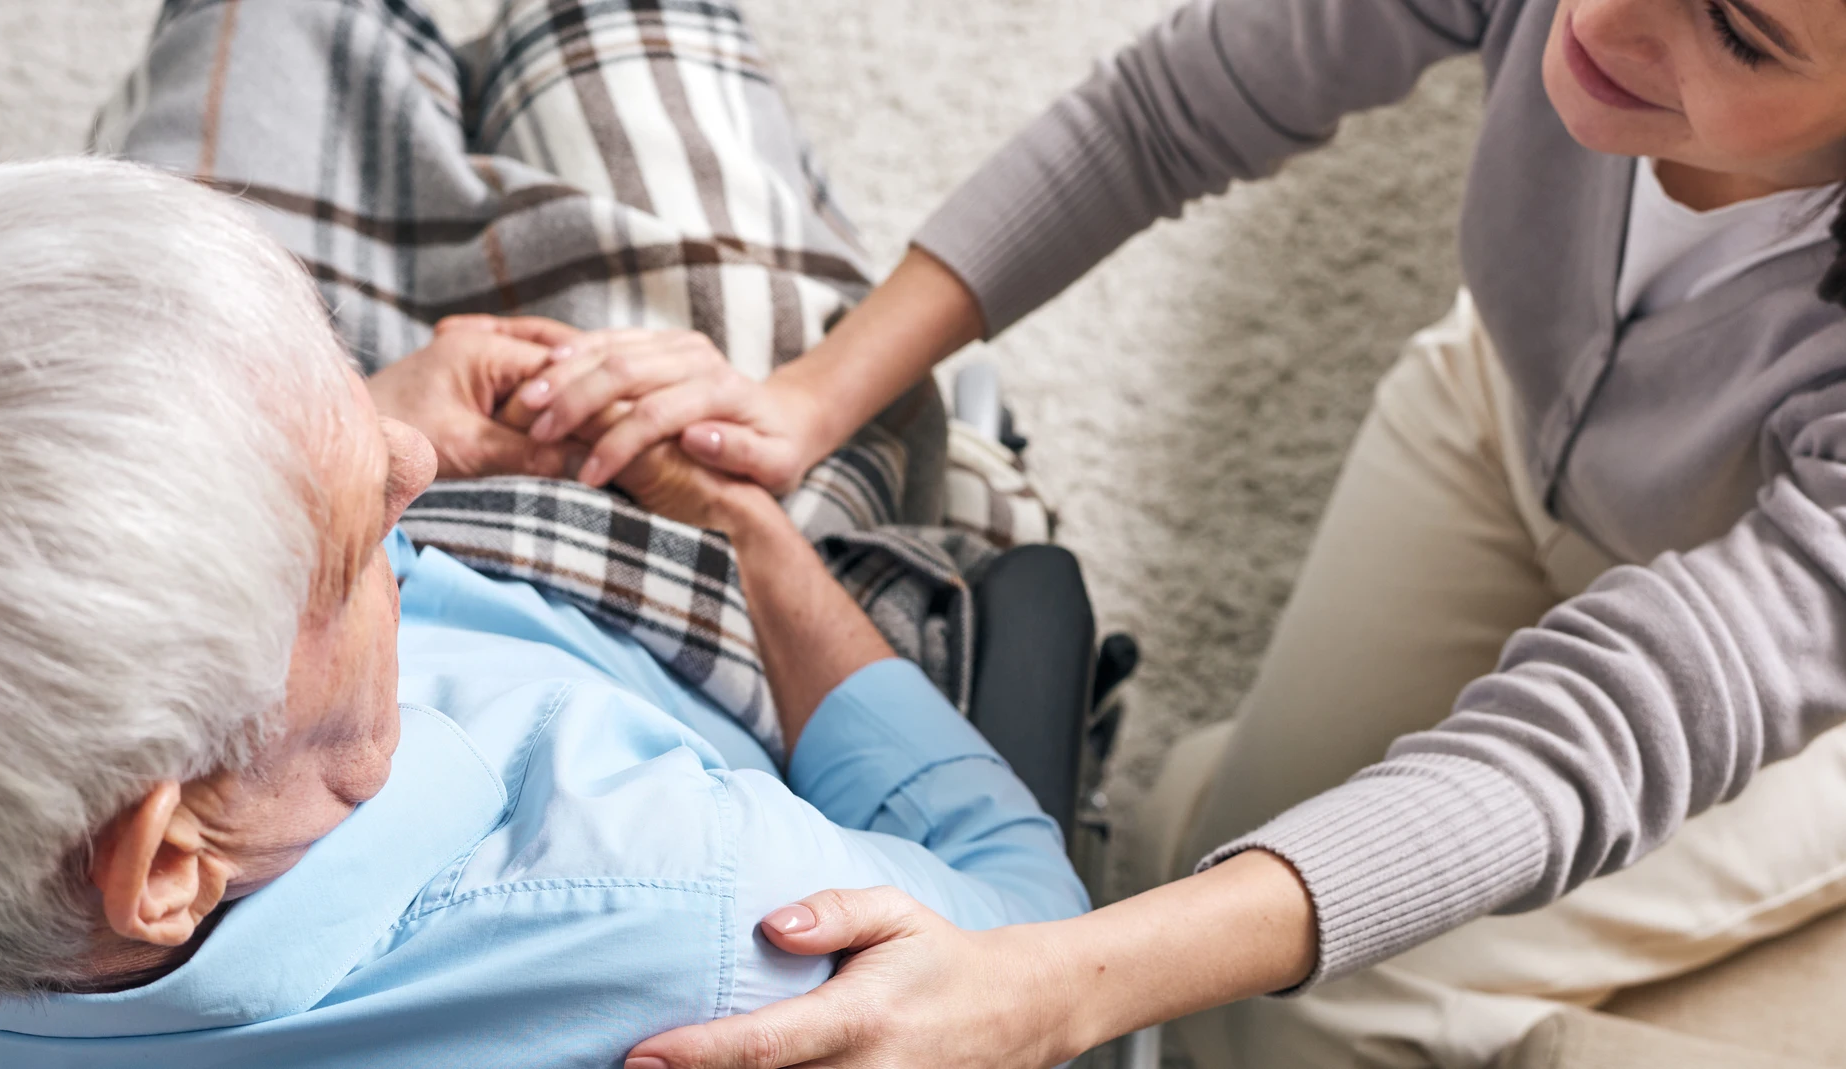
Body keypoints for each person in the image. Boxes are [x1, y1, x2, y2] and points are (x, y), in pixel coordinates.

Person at [553, 0, 1846, 1063]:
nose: (1603, 15)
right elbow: (1167, 113)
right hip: (1496, 414)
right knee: (1188, 849)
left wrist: (1065, 986)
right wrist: (804, 400)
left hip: (1772, 624)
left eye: (1737, 31)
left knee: (1306, 1015)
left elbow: (1612, 729)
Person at [0, 157, 1086, 1067]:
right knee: (723, 236)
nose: (417, 459)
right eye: (350, 560)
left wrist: (323, 435)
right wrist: (753, 534)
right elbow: (1035, 931)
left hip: (377, 583)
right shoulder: (700, 914)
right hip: (700, 620)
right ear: (164, 865)